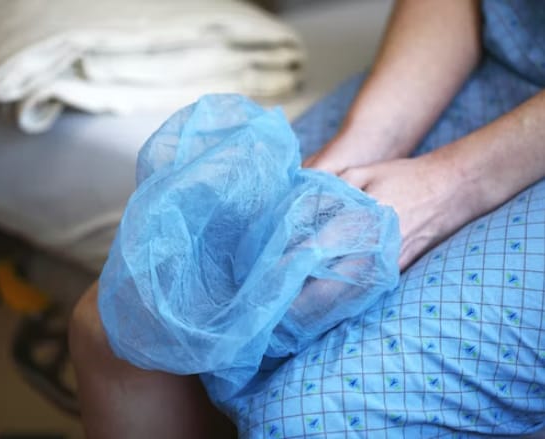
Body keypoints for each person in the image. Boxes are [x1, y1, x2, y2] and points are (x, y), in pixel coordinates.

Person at [69, 1, 545, 437]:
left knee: (308, 415)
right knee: (119, 324)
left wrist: (452, 186)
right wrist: (358, 150)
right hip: (470, 63)